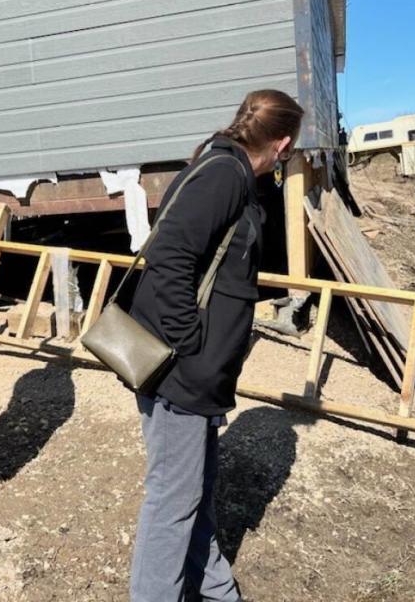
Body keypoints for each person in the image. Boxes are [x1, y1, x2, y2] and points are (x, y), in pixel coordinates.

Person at [128, 89, 304, 602]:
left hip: (194, 370)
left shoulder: (225, 167)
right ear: (283, 142)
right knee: (173, 501)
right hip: (181, 370)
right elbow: (168, 257)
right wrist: (193, 347)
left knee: (192, 492)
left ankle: (216, 589)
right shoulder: (225, 174)